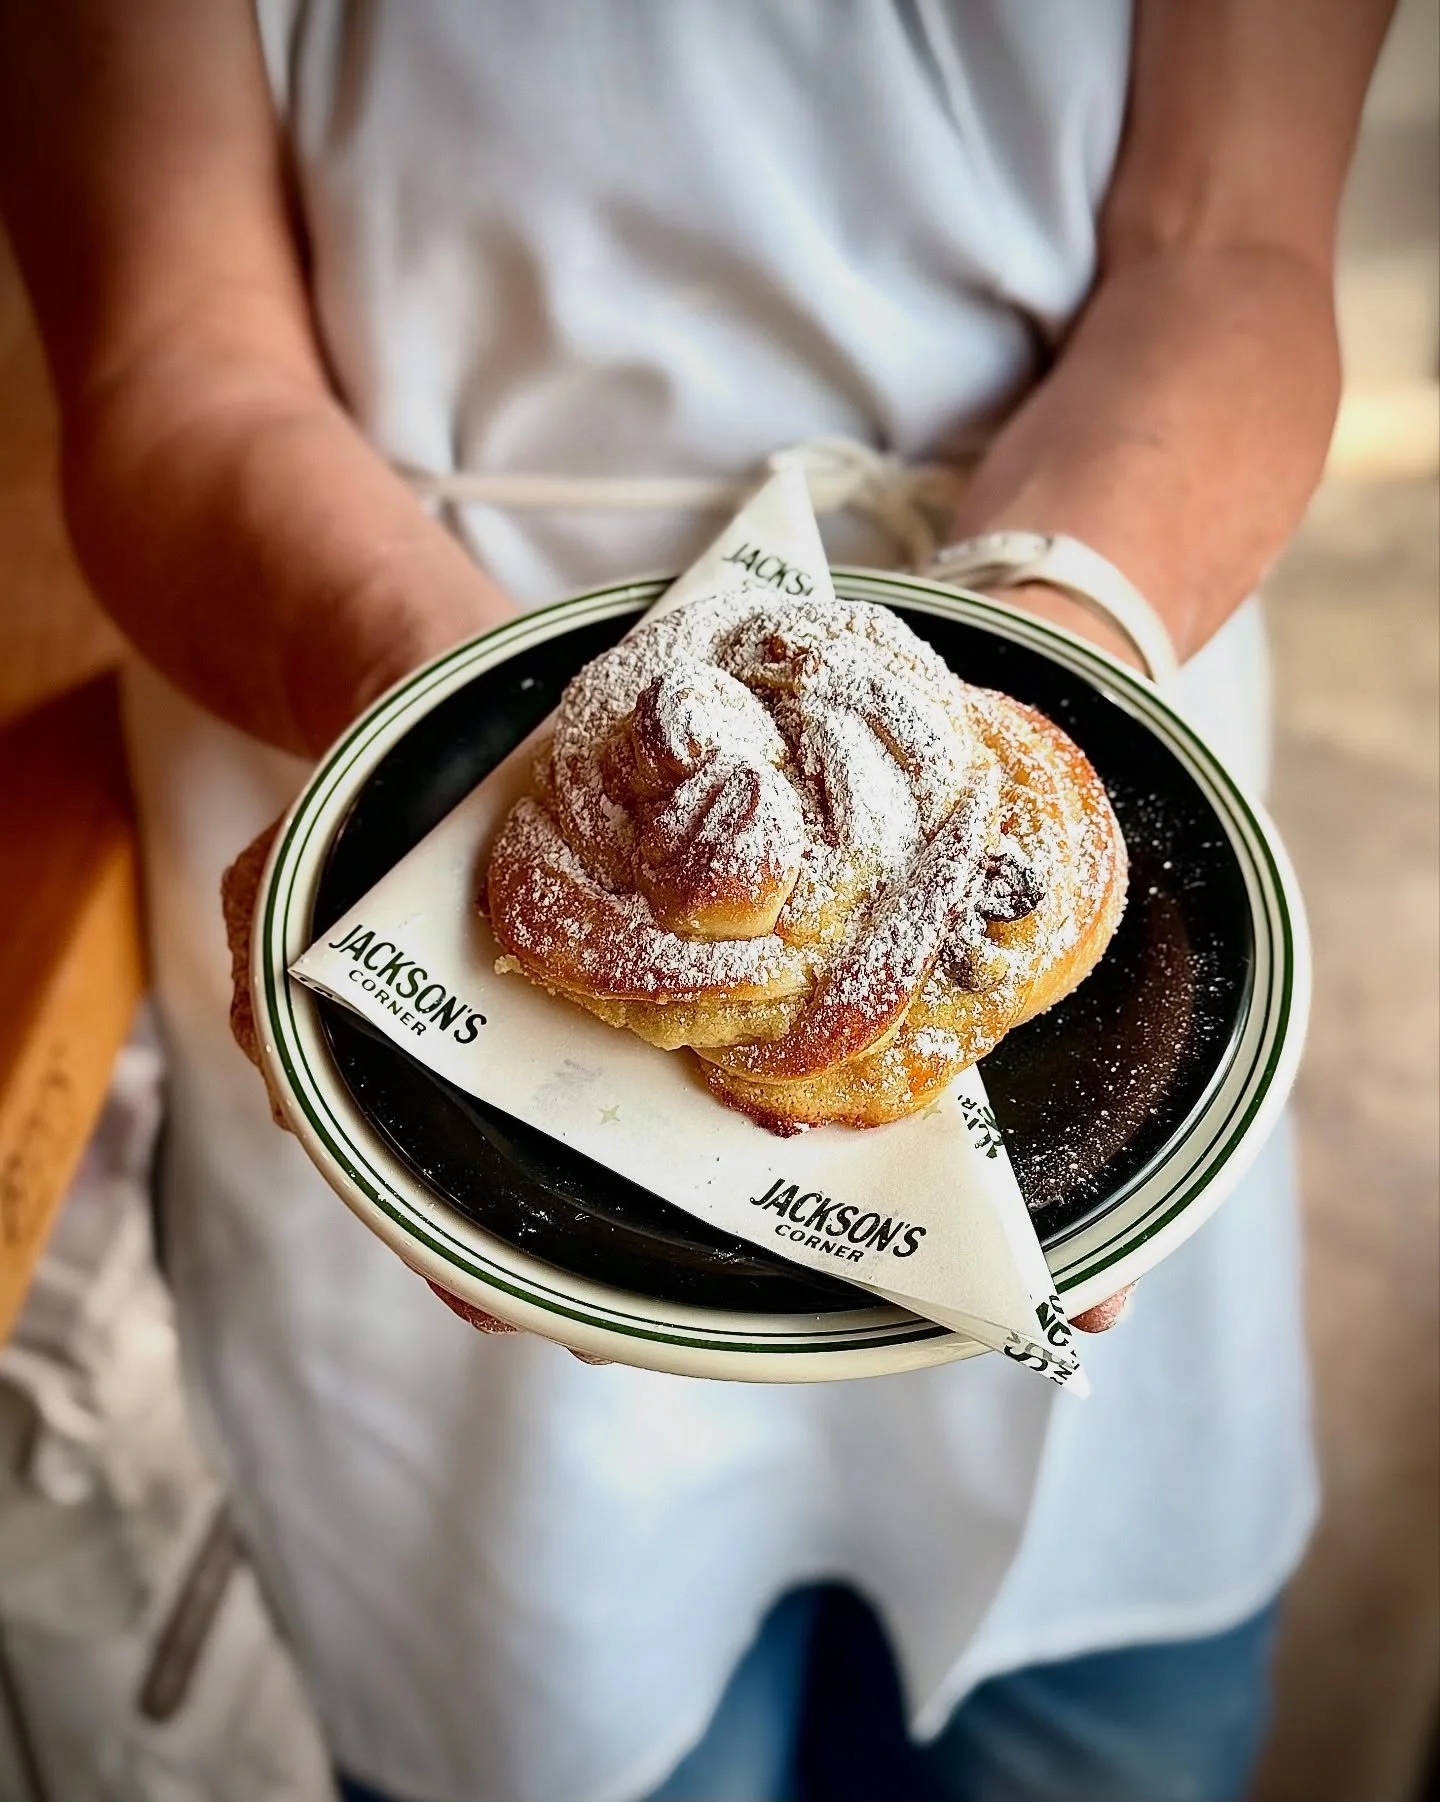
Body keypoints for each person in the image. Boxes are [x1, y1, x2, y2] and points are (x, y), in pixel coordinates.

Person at [0, 4, 1392, 1799]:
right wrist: (451, 746)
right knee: (562, 1689)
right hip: (385, 668)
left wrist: (1042, 672)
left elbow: (1233, 253)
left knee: (1099, 1730)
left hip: (1063, 644)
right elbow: (170, 356)